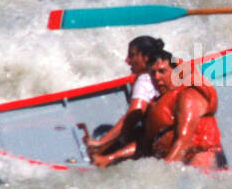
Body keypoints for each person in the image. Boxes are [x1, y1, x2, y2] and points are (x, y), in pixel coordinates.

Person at [92, 51, 224, 170]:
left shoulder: (189, 95)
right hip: (171, 161)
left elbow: (184, 142)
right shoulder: (157, 103)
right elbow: (145, 146)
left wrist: (163, 174)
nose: (157, 77)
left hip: (200, 155)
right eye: (152, 73)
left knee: (196, 170)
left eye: (162, 71)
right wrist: (110, 158)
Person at [84, 35, 163, 162]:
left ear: (146, 57)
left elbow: (132, 117)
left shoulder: (144, 80)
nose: (127, 60)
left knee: (134, 133)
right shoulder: (167, 70)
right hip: (166, 132)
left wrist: (100, 143)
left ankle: (106, 159)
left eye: (131, 55)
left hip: (159, 142)